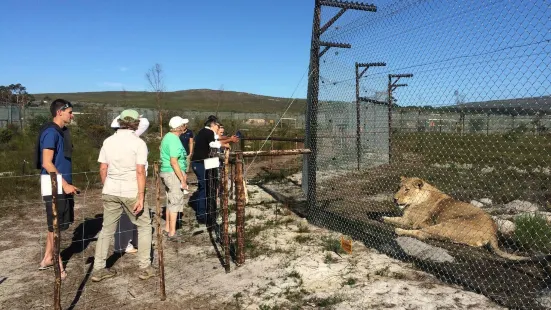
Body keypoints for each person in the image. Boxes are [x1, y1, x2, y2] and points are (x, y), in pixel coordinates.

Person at [91, 109, 155, 282]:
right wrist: (141, 196)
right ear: (135, 123)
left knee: (106, 229)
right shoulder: (138, 143)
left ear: (120, 122)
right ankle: (145, 267)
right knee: (144, 226)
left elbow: (103, 168)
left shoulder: (108, 141)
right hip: (131, 191)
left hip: (111, 189)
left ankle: (98, 269)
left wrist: (108, 186)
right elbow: (140, 171)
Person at [35, 99, 79, 280]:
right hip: (54, 184)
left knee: (55, 225)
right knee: (56, 226)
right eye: (70, 111)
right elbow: (47, 162)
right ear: (60, 112)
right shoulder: (51, 133)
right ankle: (58, 267)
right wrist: (65, 184)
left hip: (60, 183)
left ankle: (47, 258)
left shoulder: (61, 132)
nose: (72, 115)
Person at [110, 114, 150, 254]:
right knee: (128, 215)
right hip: (130, 183)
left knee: (130, 215)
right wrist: (133, 116)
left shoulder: (114, 140)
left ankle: (130, 241)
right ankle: (123, 244)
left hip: (123, 182)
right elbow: (145, 122)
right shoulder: (130, 139)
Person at [159, 116, 189, 240]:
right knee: (175, 200)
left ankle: (167, 227)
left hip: (167, 172)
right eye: (183, 125)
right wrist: (182, 179)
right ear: (179, 127)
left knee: (170, 200)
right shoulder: (174, 140)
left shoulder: (168, 137)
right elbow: (174, 161)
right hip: (173, 173)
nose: (185, 127)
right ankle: (172, 231)